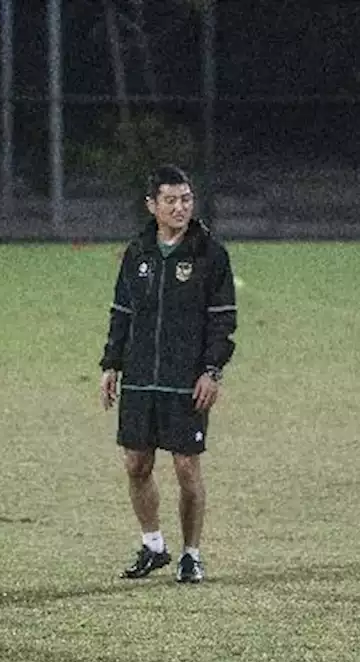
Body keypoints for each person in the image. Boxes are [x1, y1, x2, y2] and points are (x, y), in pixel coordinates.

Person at [99, 165, 237, 584]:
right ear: (152, 205)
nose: (180, 207)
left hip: (185, 379)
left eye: (186, 199)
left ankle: (191, 555)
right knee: (136, 464)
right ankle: (153, 546)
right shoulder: (137, 251)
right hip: (140, 377)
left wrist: (212, 370)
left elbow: (223, 320)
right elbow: (121, 312)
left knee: (186, 468)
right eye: (171, 200)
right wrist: (110, 363)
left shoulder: (210, 253)